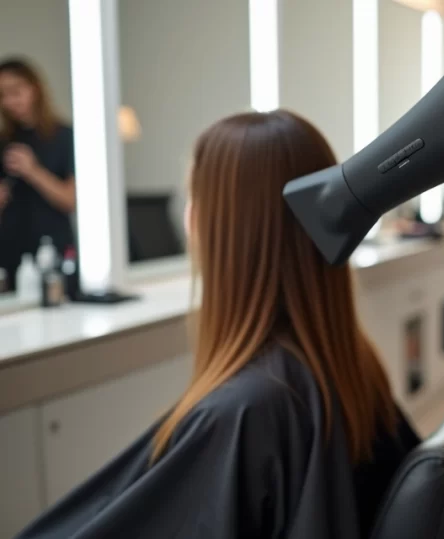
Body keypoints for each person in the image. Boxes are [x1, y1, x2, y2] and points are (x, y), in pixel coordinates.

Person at [16, 110, 420, 539]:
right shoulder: (352, 362)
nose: (188, 214)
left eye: (194, 197)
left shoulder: (248, 409)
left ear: (217, 226)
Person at [0, 58, 76, 289]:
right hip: (10, 253)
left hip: (54, 253)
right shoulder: (4, 142)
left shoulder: (64, 137)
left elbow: (70, 201)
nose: (9, 101)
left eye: (15, 91)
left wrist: (33, 171)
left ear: (35, 88)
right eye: (2, 95)